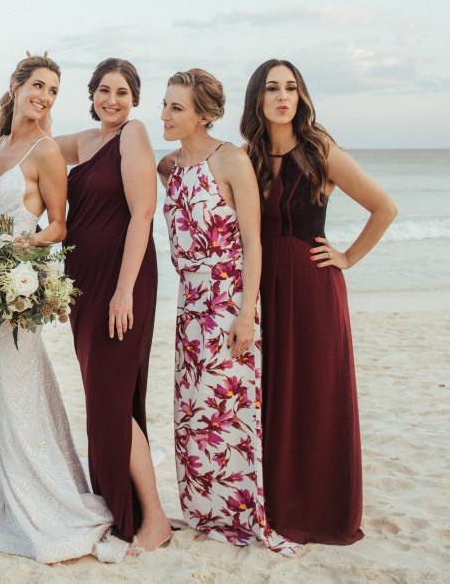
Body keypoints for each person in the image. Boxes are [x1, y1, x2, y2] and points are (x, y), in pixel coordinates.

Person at [0, 55, 124, 563]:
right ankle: (9, 491)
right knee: (8, 390)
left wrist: (20, 248)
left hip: (16, 283)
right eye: (38, 85)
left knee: (16, 387)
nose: (45, 97)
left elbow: (59, 225)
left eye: (53, 90)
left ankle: (38, 499)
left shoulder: (47, 150)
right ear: (16, 86)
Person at [240, 59, 396, 545]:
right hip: (264, 289)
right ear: (258, 99)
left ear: (301, 97)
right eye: (272, 88)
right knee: (271, 392)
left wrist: (347, 256)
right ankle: (278, 505)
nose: (283, 96)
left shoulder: (320, 150)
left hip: (312, 289)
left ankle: (324, 511)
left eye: (291, 87)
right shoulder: (249, 155)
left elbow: (384, 207)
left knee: (316, 392)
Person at [157, 69, 295, 553]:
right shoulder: (167, 166)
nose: (166, 115)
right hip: (187, 302)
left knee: (230, 412)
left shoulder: (232, 161)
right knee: (194, 411)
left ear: (204, 114)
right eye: (165, 104)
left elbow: (254, 242)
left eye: (177, 107)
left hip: (226, 301)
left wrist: (246, 313)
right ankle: (203, 510)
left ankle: (238, 511)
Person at [51, 58, 171, 552]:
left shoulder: (134, 135)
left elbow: (143, 214)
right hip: (83, 285)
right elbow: (30, 147)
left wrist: (123, 292)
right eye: (104, 90)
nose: (112, 100)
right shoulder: (84, 142)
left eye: (122, 92)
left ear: (134, 98)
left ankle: (156, 519)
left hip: (122, 284)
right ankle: (127, 505)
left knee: (110, 400)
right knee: (105, 397)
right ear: (92, 94)